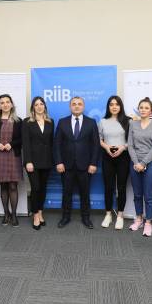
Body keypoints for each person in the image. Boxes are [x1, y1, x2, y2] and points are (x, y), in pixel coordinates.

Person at [54, 96, 100, 229]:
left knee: (85, 193)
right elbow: (57, 144)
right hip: (66, 166)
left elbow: (96, 145)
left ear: (83, 106)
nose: (77, 106)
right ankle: (65, 217)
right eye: (74, 104)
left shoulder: (91, 122)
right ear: (70, 107)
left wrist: (93, 163)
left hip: (85, 166)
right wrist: (59, 162)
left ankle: (86, 218)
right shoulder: (62, 122)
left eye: (79, 104)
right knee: (66, 193)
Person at [128, 97, 152, 237]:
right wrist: (136, 163)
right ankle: (138, 219)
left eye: (146, 108)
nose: (143, 110)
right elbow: (130, 145)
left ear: (151, 111)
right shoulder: (133, 124)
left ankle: (148, 222)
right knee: (137, 194)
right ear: (138, 109)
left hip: (150, 163)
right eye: (141, 107)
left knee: (148, 195)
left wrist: (143, 163)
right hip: (134, 163)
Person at [0, 94, 23, 226]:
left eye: (7, 102)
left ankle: (14, 215)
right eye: (2, 103)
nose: (5, 104)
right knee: (3, 185)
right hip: (0, 156)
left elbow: (22, 139)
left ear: (12, 104)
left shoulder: (18, 121)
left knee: (13, 186)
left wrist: (12, 144)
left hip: (13, 156)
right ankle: (6, 214)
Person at [22, 96, 54, 230]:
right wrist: (28, 161)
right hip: (32, 162)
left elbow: (51, 142)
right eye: (36, 105)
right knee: (35, 188)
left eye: (41, 104)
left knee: (43, 188)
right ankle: (35, 214)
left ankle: (40, 212)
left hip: (46, 161)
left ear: (44, 106)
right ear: (33, 108)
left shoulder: (50, 122)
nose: (39, 106)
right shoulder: (27, 122)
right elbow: (26, 143)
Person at [98, 96, 130, 230]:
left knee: (121, 187)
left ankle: (120, 216)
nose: (114, 107)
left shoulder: (128, 121)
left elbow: (132, 140)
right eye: (111, 104)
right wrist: (107, 147)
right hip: (107, 156)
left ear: (120, 106)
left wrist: (122, 148)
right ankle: (108, 214)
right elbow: (99, 139)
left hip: (123, 157)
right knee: (108, 187)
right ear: (108, 107)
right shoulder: (103, 121)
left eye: (117, 104)